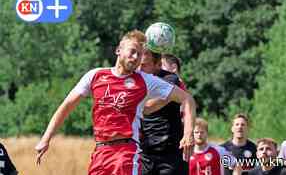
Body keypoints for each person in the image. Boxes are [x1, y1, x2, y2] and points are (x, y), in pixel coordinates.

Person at [35, 30, 196, 175]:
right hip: (100, 152)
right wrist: (46, 138)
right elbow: (66, 106)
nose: (135, 58)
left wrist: (188, 134)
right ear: (118, 50)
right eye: (132, 52)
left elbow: (187, 99)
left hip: (126, 152)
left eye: (139, 55)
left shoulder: (146, 81)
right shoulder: (95, 76)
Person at [138, 48, 192, 175]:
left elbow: (149, 106)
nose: (140, 69)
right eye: (139, 65)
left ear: (157, 65)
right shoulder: (137, 80)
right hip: (146, 152)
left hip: (170, 152)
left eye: (144, 65)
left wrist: (188, 133)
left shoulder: (170, 79)